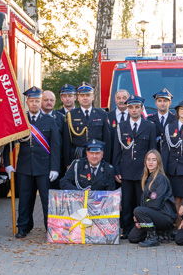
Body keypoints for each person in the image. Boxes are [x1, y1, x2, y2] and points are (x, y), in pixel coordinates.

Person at [12, 86, 61, 238]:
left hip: (44, 167)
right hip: (25, 166)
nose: (34, 104)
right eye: (31, 101)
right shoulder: (21, 120)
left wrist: (55, 168)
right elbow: (10, 142)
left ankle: (50, 228)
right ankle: (23, 227)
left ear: (41, 102)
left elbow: (55, 146)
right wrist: (8, 163)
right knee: (25, 199)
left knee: (47, 200)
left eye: (37, 101)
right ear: (27, 102)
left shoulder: (50, 120)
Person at [112, 95, 156, 239]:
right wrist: (116, 170)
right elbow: (117, 151)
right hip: (126, 170)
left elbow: (152, 150)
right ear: (127, 108)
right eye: (131, 107)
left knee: (141, 201)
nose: (134, 110)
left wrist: (151, 171)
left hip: (142, 172)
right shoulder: (121, 126)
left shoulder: (149, 126)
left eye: (137, 107)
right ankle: (126, 228)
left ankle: (142, 229)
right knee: (126, 202)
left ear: (141, 108)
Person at [129, 150, 176, 247]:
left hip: (165, 216)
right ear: (145, 162)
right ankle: (160, 234)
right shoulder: (147, 178)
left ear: (158, 162)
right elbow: (145, 201)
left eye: (154, 160)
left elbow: (156, 203)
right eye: (148, 159)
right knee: (133, 237)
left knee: (138, 210)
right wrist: (139, 219)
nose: (150, 162)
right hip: (153, 215)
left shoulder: (161, 178)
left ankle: (152, 238)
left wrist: (139, 213)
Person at [63, 82, 112, 163]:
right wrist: (68, 163)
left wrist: (106, 161)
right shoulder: (70, 115)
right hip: (78, 157)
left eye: (88, 95)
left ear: (93, 97)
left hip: (97, 156)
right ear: (77, 98)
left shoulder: (102, 114)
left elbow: (107, 140)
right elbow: (67, 142)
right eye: (82, 95)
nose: (85, 98)